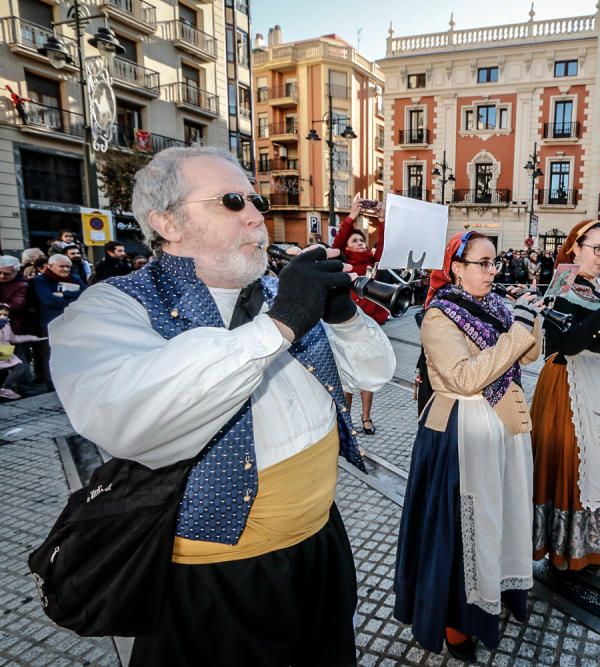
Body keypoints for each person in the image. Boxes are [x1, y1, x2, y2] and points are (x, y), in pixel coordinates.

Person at [48, 146, 395, 665]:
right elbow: (125, 419)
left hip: (321, 543)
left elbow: (372, 374)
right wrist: (279, 326)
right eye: (231, 201)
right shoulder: (110, 306)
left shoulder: (277, 288)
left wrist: (344, 317)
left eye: (255, 199)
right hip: (220, 575)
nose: (256, 214)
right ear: (167, 222)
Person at [394, 231, 544, 662]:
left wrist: (535, 319)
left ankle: (495, 594)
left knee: (502, 515)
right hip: (461, 431)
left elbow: (527, 357)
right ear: (456, 268)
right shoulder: (438, 317)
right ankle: (456, 620)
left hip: (504, 426)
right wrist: (515, 332)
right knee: (462, 529)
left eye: (494, 262)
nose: (492, 271)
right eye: (482, 262)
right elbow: (462, 378)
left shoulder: (496, 306)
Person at [531, 220, 600, 571]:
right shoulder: (560, 287)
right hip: (573, 385)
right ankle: (568, 548)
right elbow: (569, 342)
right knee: (578, 465)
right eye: (597, 248)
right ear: (575, 248)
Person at [334, 194, 390, 436]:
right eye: (355, 240)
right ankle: (346, 420)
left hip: (369, 325)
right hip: (346, 325)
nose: (360, 243)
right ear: (347, 247)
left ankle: (366, 418)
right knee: (347, 374)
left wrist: (381, 220)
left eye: (362, 241)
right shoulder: (341, 263)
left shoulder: (373, 262)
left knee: (368, 374)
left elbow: (386, 247)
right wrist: (352, 217)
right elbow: (334, 246)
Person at [0, 303, 44, 399]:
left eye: (5, 315)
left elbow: (13, 338)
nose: (2, 317)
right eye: (0, 314)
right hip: (2, 352)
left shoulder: (7, 325)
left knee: (19, 366)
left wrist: (31, 338)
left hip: (5, 352)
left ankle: (5, 388)